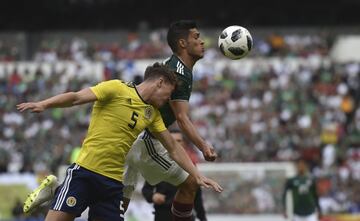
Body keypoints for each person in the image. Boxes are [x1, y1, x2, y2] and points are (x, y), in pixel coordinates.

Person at [23, 20, 217, 221]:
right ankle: (59, 191)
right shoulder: (119, 88)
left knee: (129, 193)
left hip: (112, 182)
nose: (169, 99)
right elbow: (76, 97)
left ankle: (57, 190)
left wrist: (196, 173)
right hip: (93, 169)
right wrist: (44, 104)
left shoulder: (153, 112)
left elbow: (174, 147)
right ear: (160, 83)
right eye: (168, 94)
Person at [141, 129, 207, 221]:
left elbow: (197, 195)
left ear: (184, 143)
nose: (176, 144)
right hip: (163, 215)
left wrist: (203, 218)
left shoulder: (190, 166)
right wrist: (153, 196)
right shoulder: (157, 163)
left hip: (184, 215)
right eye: (173, 141)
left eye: (179, 141)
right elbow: (146, 189)